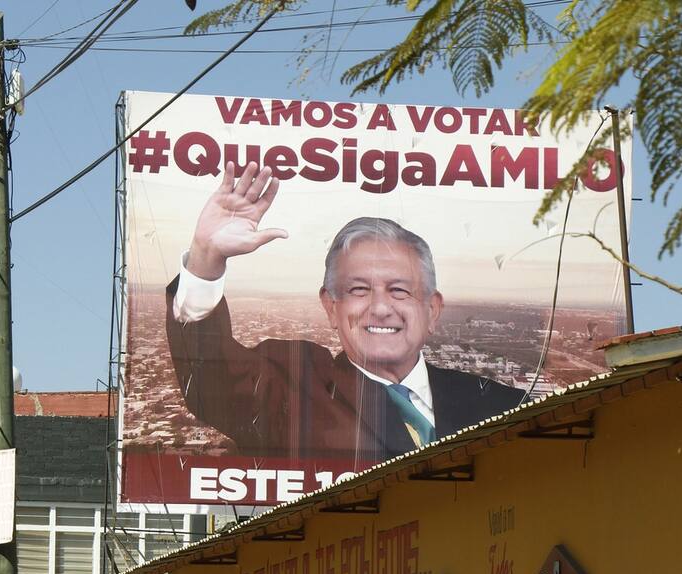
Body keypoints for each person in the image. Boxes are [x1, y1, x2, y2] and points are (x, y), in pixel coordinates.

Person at [166, 161, 524, 463]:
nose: (381, 308)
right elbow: (213, 376)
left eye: (399, 290)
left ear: (432, 310)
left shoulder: (500, 405)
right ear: (331, 307)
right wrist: (206, 258)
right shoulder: (293, 387)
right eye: (358, 290)